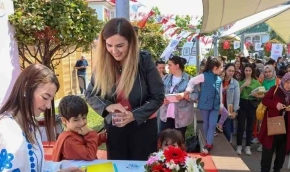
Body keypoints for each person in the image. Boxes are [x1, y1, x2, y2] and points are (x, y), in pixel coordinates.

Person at [86, 18, 164, 160]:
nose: (114, 51)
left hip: (143, 126)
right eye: (109, 45)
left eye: (120, 46)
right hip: (115, 127)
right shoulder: (102, 63)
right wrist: (108, 107)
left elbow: (158, 96)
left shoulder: (144, 60)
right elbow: (90, 94)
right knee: (118, 171)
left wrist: (133, 115)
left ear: (131, 42)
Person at [258, 72, 290, 172]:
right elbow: (265, 100)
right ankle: (264, 171)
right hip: (273, 123)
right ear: (283, 81)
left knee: (282, 150)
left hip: (287, 127)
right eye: (287, 82)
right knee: (268, 148)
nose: (289, 85)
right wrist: (275, 105)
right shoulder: (275, 89)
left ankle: (277, 169)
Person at [185, 56, 223, 153]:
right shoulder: (203, 76)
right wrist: (188, 90)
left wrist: (221, 104)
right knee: (206, 123)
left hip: (215, 105)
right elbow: (192, 81)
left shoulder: (219, 79)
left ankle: (209, 144)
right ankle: (208, 141)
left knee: (213, 124)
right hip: (205, 104)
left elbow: (220, 91)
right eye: (221, 67)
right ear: (215, 68)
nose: (222, 69)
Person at [52, 95, 105, 161]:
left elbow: (88, 143)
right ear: (64, 121)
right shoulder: (68, 141)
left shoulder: (76, 131)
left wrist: (103, 137)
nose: (82, 123)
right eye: (76, 120)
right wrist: (90, 134)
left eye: (84, 118)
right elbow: (90, 155)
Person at [159, 56, 199, 140]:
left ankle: (178, 153)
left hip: (181, 116)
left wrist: (185, 96)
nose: (168, 67)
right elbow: (159, 93)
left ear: (177, 66)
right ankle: (163, 153)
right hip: (166, 114)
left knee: (179, 140)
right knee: (163, 138)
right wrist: (163, 99)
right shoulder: (165, 78)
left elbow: (196, 95)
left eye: (170, 65)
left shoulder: (189, 79)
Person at [236, 64, 262, 156]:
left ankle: (248, 146)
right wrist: (243, 86)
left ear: (252, 72)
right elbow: (237, 94)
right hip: (242, 103)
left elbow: (261, 94)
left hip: (252, 104)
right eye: (246, 70)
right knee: (241, 125)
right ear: (244, 71)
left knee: (250, 126)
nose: (247, 72)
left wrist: (257, 95)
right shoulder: (240, 81)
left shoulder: (256, 82)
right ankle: (239, 145)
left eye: (249, 71)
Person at [216, 63, 240, 142]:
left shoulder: (235, 83)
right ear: (225, 70)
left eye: (233, 71)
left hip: (228, 110)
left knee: (227, 130)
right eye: (229, 70)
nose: (231, 73)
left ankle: (228, 147)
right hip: (217, 108)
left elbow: (237, 98)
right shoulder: (218, 80)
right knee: (216, 131)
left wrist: (235, 111)